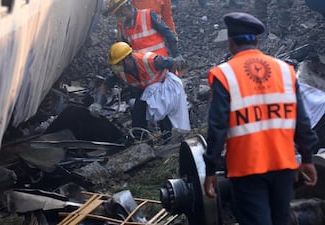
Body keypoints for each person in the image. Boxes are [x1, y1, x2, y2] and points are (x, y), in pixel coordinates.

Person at [203, 12, 318, 225]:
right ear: (257, 40)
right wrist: (307, 158)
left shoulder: (224, 74)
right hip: (284, 165)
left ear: (230, 42)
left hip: (246, 169)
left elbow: (217, 126)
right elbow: (302, 120)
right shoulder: (285, 70)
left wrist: (210, 169)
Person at [90, 42, 191, 141]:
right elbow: (105, 85)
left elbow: (172, 62)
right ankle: (140, 138)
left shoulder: (150, 61)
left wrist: (172, 82)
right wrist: (98, 103)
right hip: (145, 91)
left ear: (128, 59)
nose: (116, 67)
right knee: (138, 113)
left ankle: (168, 136)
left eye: (118, 63)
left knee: (161, 111)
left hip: (162, 87)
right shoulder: (120, 71)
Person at [103, 0, 186, 69]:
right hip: (143, 69)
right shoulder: (125, 28)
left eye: (118, 14)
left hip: (161, 63)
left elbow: (167, 30)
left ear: (124, 9)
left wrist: (176, 54)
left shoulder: (148, 15)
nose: (118, 17)